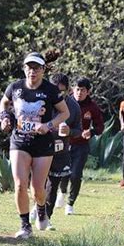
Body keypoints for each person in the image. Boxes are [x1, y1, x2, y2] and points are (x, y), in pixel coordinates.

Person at [0, 52, 70, 239]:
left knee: (38, 188)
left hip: (42, 144)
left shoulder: (50, 90)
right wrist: (5, 117)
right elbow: (4, 103)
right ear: (24, 69)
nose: (32, 71)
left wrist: (47, 126)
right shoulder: (15, 87)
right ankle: (24, 226)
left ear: (43, 70)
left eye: (37, 68)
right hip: (19, 141)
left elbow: (64, 113)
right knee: (20, 184)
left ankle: (41, 209)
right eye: (29, 68)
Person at [30, 73, 82, 229]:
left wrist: (70, 132)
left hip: (60, 150)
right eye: (55, 91)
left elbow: (79, 130)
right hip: (40, 147)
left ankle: (46, 217)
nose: (58, 95)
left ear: (67, 91)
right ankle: (37, 208)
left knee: (53, 184)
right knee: (39, 183)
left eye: (62, 92)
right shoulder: (38, 103)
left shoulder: (73, 107)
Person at [60, 77, 104, 215]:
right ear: (72, 89)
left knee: (75, 175)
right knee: (63, 173)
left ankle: (70, 203)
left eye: (82, 90)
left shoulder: (92, 107)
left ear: (88, 92)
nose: (79, 92)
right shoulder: (65, 102)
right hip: (64, 144)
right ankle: (61, 192)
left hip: (81, 145)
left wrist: (91, 132)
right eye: (77, 89)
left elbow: (100, 127)